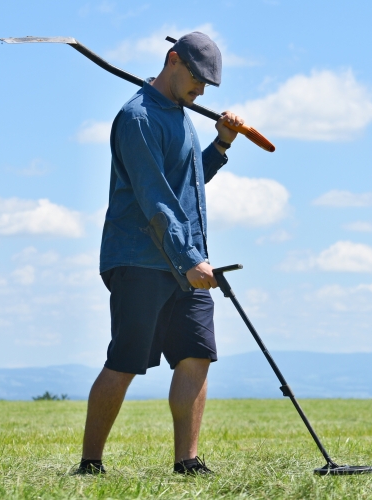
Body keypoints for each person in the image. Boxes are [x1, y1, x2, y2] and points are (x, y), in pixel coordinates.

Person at [75, 32, 244, 476]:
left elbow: (186, 185)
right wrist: (190, 260)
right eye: (197, 79)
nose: (201, 91)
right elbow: (155, 200)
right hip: (139, 259)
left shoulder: (180, 115)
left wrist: (221, 145)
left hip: (185, 261)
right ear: (173, 60)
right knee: (126, 362)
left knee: (197, 354)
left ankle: (186, 463)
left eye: (208, 85)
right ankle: (90, 464)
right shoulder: (138, 118)